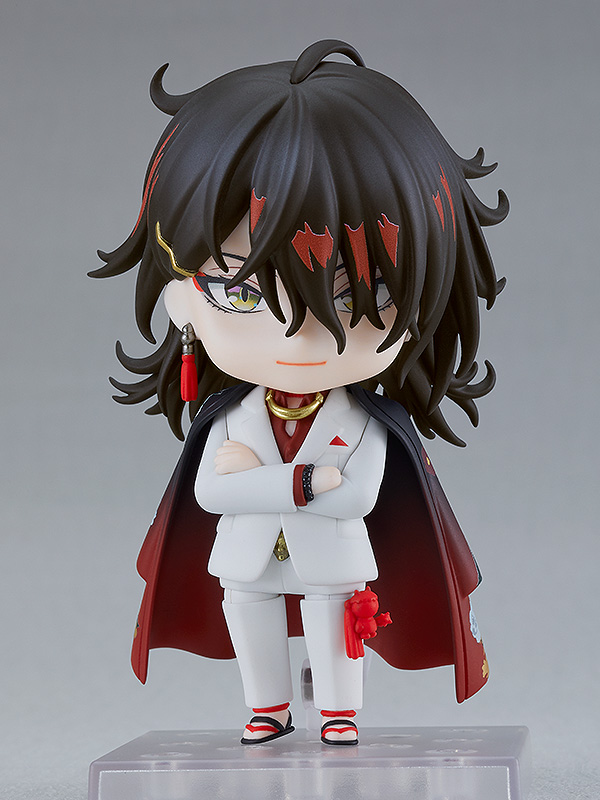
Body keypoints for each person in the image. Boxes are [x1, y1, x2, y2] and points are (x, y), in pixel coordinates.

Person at [91, 39, 508, 746]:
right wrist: (309, 482)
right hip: (246, 555)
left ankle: (338, 712)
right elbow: (210, 494)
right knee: (250, 621)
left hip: (331, 560)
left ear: (423, 302)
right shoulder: (230, 417)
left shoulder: (365, 422)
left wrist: (265, 481)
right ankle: (269, 709)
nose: (298, 339)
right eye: (239, 292)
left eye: (360, 296)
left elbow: (359, 497)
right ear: (181, 298)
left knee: (333, 624)